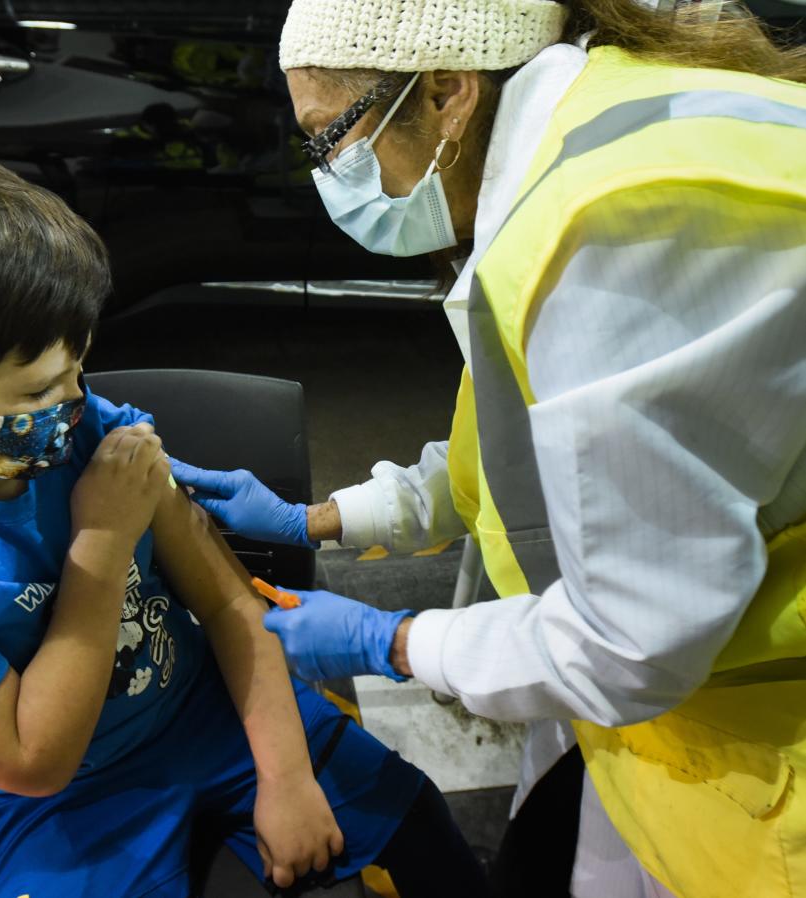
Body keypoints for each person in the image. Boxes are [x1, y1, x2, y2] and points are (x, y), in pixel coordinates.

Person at [170, 1, 806, 897]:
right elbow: (527, 454)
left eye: (330, 139)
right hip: (658, 710)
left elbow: (632, 644)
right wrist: (318, 519)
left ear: (445, 94)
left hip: (750, 738)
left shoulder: (613, 226)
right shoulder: (594, 134)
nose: (328, 174)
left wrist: (393, 640)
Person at [0, 132, 489, 898]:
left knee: (416, 824)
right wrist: (104, 540)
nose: (75, 405)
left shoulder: (85, 428)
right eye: (35, 392)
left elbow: (225, 600)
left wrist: (285, 778)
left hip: (204, 710)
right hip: (52, 802)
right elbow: (33, 759)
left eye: (77, 366)